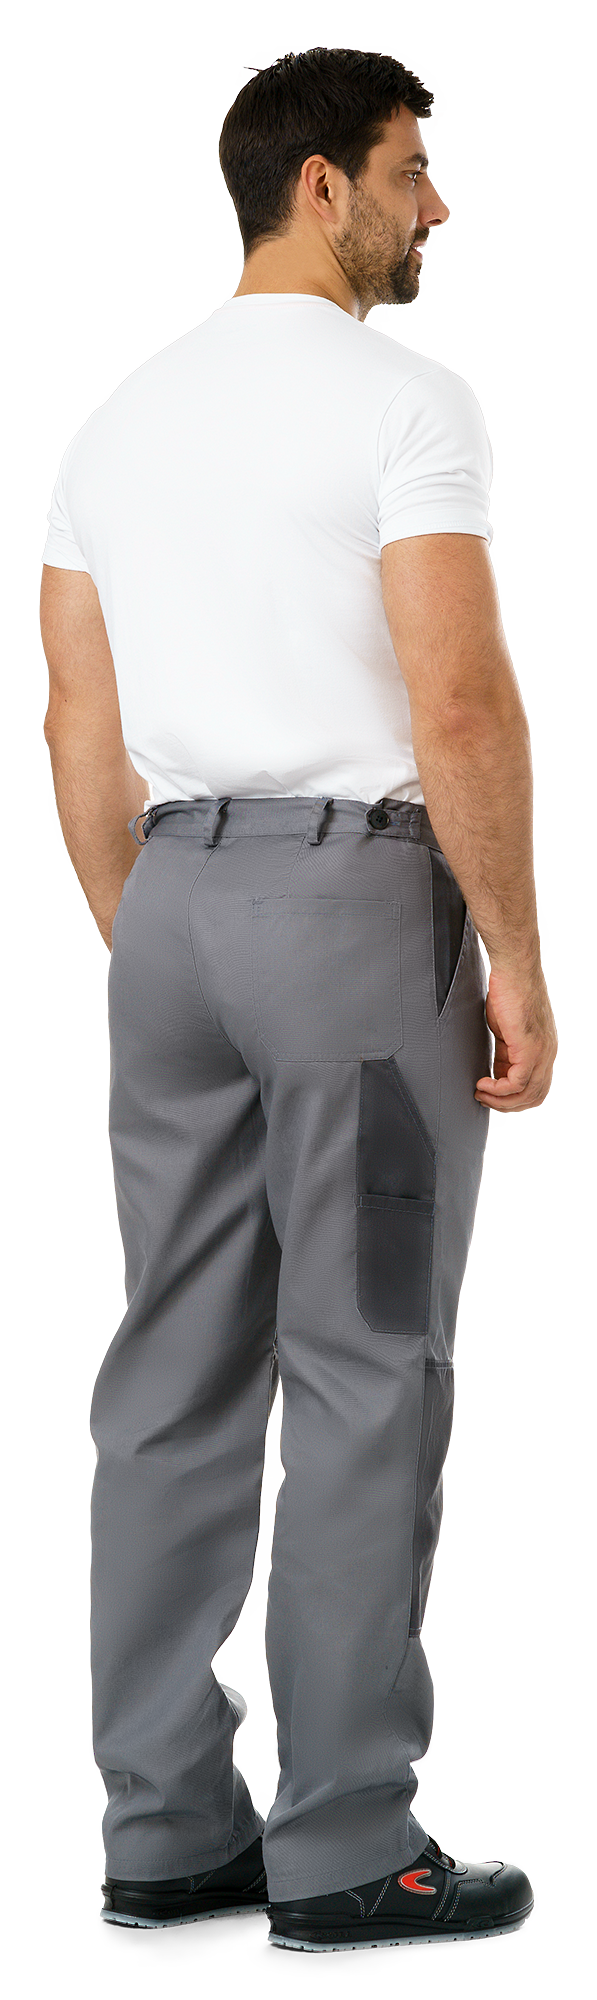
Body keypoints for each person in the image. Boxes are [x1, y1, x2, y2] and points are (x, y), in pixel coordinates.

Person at [40, 47, 555, 1959]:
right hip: (354, 918)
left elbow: (75, 712)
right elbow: (460, 703)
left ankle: (164, 1839)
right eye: (415, 172)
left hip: (172, 907)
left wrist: (159, 922)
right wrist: (514, 954)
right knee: (363, 1369)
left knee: (170, 1380)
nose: (438, 209)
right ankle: (347, 1852)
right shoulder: (398, 402)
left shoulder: (119, 422)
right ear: (322, 184)